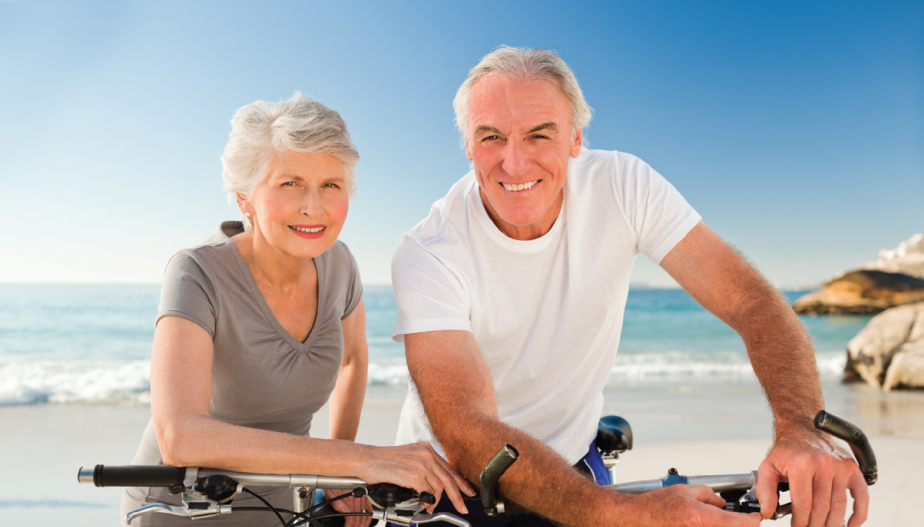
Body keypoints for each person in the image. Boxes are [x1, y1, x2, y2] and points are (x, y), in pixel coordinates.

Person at [391, 47, 870, 527]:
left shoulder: (622, 186)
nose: (514, 164)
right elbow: (467, 431)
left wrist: (802, 428)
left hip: (571, 461)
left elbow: (751, 300)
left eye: (540, 134)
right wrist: (624, 513)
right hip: (449, 484)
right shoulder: (430, 251)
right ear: (468, 147)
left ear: (576, 139)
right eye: (491, 136)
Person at [121, 93, 473, 526]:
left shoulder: (340, 265)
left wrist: (341, 475)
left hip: (285, 505)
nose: (315, 206)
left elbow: (353, 359)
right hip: (180, 508)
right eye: (290, 183)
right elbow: (180, 436)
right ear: (244, 199)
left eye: (331, 184)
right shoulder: (196, 272)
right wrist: (357, 459)